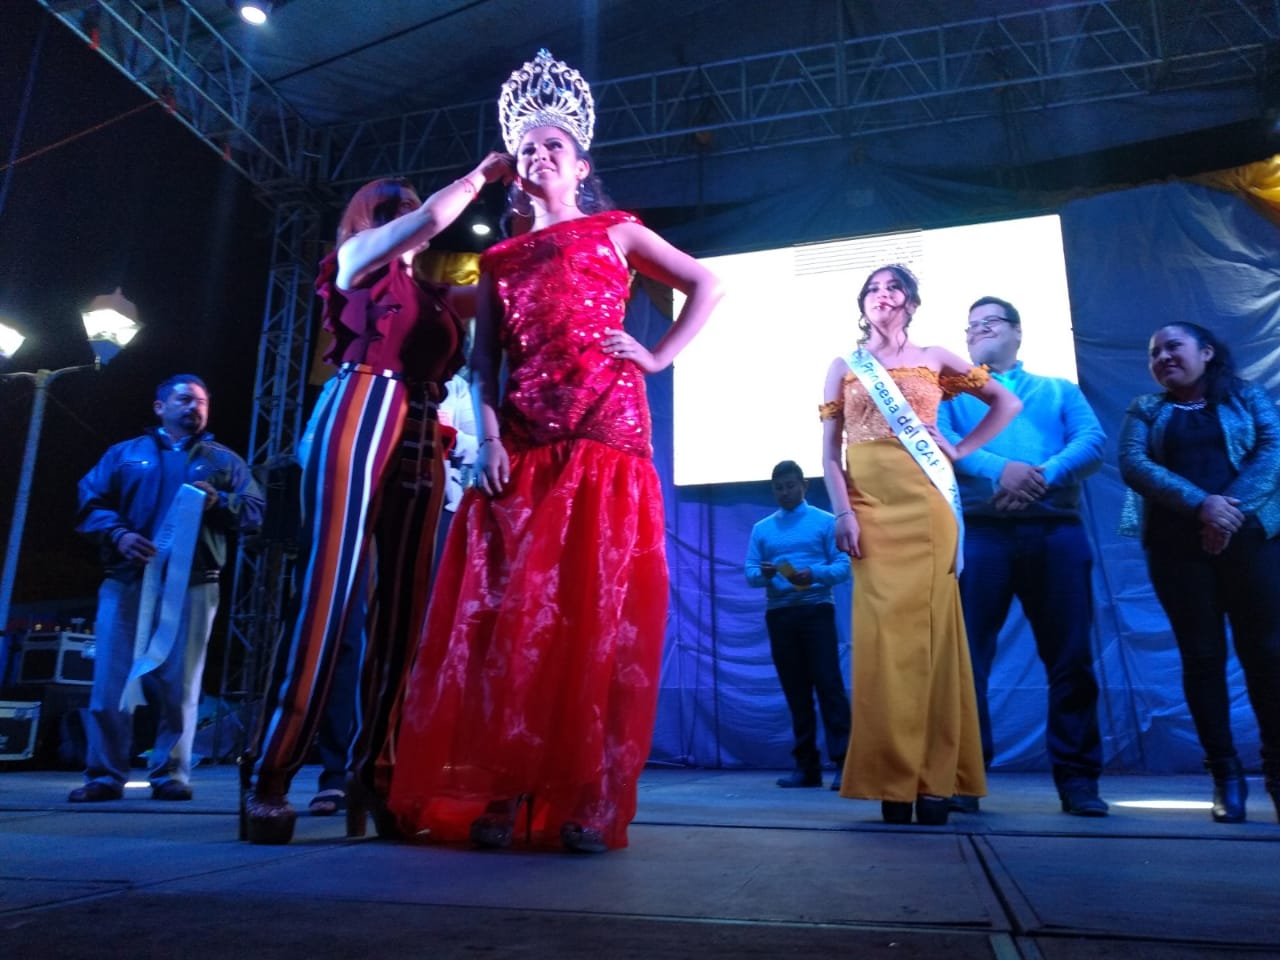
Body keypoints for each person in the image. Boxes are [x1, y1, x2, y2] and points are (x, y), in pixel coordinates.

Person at [388, 49, 724, 853]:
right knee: (510, 619)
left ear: (581, 165)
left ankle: (584, 800)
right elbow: (481, 362)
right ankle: (502, 790)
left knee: (592, 616)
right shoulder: (499, 259)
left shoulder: (619, 231)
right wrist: (492, 436)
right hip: (527, 439)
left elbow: (707, 283)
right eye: (528, 149)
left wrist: (658, 354)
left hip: (608, 433)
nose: (539, 157)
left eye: (554, 148)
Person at [242, 153, 513, 844]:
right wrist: (481, 176)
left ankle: (379, 773)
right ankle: (271, 774)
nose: (411, 215)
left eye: (410, 205)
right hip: (361, 402)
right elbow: (429, 218)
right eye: (393, 207)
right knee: (331, 595)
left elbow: (499, 295)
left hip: (424, 424)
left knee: (404, 618)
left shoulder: (432, 293)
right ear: (371, 219)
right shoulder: (356, 258)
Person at [819, 265, 1020, 826]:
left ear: (911, 301)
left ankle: (934, 782)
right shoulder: (844, 365)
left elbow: (1007, 403)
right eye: (872, 288)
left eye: (893, 287)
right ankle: (890, 779)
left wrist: (960, 448)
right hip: (869, 513)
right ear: (863, 303)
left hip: (926, 508)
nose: (882, 295)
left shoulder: (936, 357)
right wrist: (841, 511)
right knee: (883, 647)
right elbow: (830, 454)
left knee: (933, 643)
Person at [936, 297, 1109, 817]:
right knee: (967, 660)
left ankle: (1078, 781)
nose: (976, 334)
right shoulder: (951, 394)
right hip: (983, 534)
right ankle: (966, 776)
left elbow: (1093, 441)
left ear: (1017, 332)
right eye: (969, 329)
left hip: (1055, 530)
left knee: (1071, 658)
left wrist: (1041, 477)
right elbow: (938, 439)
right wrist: (1001, 470)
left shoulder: (1058, 389)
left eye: (988, 324)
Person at [71, 375, 263, 803]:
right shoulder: (124, 455)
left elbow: (255, 510)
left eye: (201, 402)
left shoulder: (223, 461)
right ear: (160, 407)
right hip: (126, 581)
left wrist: (223, 503)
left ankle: (171, 773)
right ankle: (104, 775)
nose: (194, 408)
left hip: (194, 585)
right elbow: (89, 502)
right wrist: (118, 534)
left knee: (181, 685)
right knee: (110, 683)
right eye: (184, 399)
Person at [1119, 322, 1280, 824]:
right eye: (1154, 352)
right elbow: (1133, 464)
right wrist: (1200, 506)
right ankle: (1225, 777)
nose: (1163, 356)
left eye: (1173, 347)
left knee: (1268, 656)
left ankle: (1277, 776)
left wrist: (1225, 513)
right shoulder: (1147, 408)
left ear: (1207, 353)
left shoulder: (1247, 397)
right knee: (1203, 657)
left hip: (1252, 543)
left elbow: (1274, 450)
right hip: (1175, 549)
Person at [745, 460, 852, 790]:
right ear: (772, 489)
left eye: (790, 485)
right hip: (780, 615)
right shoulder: (762, 529)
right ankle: (807, 768)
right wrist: (763, 575)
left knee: (829, 687)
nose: (785, 492)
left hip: (816, 611)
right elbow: (749, 573)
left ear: (804, 486)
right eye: (779, 487)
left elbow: (844, 566)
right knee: (796, 692)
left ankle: (846, 765)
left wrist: (814, 574)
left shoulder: (826, 522)